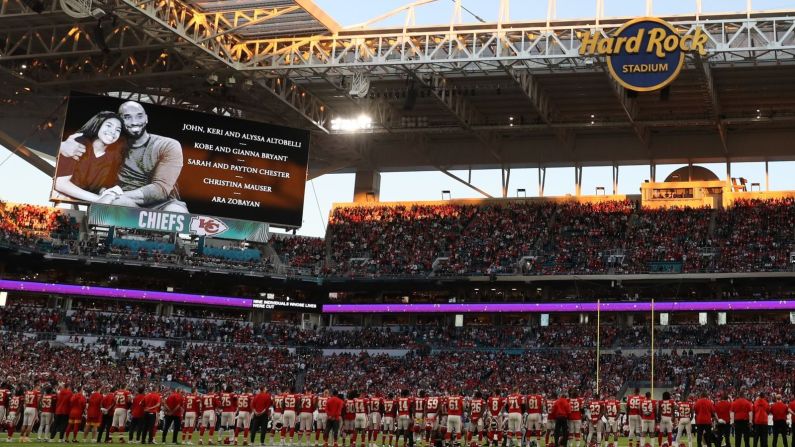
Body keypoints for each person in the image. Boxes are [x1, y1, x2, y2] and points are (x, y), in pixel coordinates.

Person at [59, 100, 187, 212]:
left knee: (177, 211)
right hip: (124, 202)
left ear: (146, 118)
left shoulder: (167, 144)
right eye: (127, 117)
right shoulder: (113, 145)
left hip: (161, 203)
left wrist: (111, 196)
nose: (134, 122)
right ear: (121, 120)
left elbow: (160, 189)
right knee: (119, 205)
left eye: (139, 116)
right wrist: (63, 146)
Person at [54, 111, 124, 203]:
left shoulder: (113, 157)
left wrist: (107, 193)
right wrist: (98, 199)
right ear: (98, 124)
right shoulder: (78, 144)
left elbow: (103, 186)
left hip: (85, 205)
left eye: (118, 130)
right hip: (61, 200)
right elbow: (60, 184)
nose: (113, 132)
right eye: (109, 125)